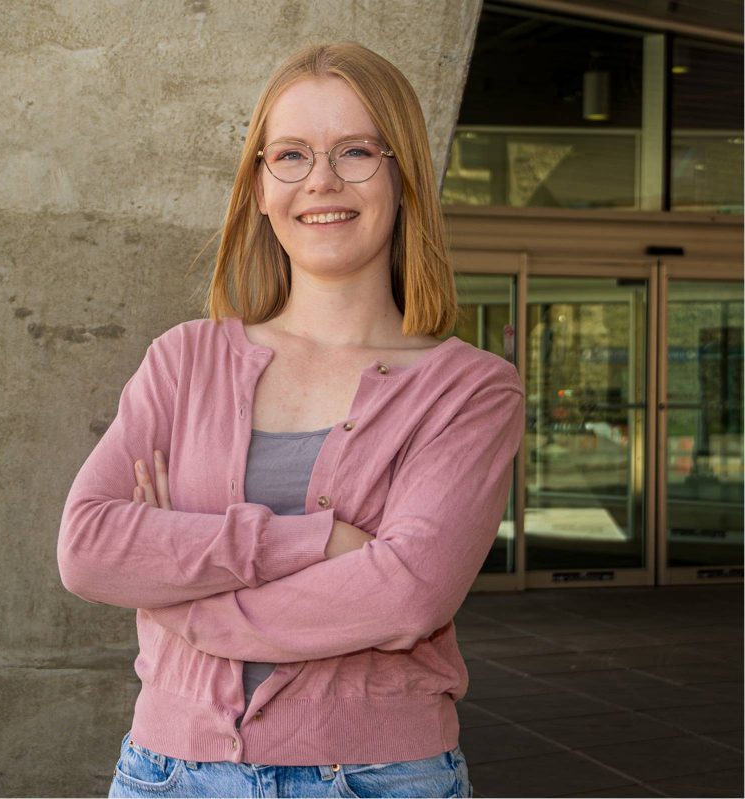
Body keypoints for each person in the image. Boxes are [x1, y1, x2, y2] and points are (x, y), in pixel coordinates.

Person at [57, 41, 525, 799]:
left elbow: (407, 595)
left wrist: (186, 596)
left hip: (379, 778)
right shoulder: (184, 360)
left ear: (403, 173)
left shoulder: (468, 390)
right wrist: (315, 541)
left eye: (356, 151)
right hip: (166, 775)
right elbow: (87, 546)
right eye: (292, 155)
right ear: (260, 186)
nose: (323, 181)